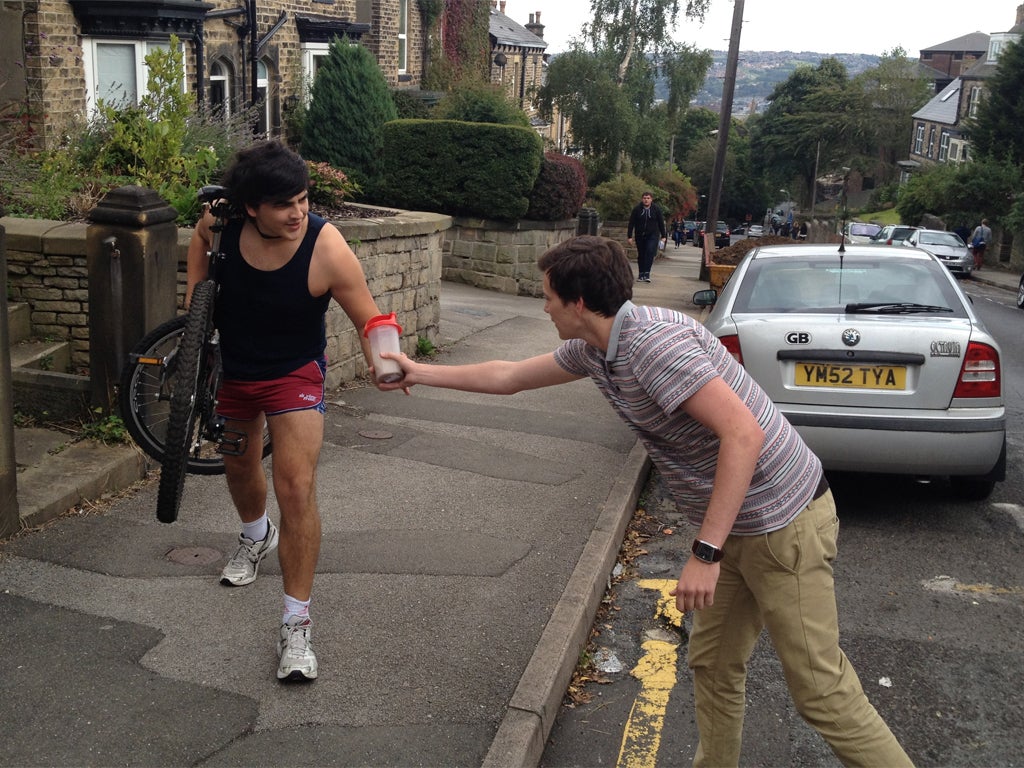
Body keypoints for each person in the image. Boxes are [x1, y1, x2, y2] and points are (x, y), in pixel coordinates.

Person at [377, 235, 913, 767]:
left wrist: (704, 554)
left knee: (821, 693)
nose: (543, 307)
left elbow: (743, 435)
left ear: (579, 302)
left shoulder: (652, 346)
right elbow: (511, 376)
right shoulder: (595, 349)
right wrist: (420, 371)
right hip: (733, 527)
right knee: (714, 665)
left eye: (548, 297)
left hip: (783, 522)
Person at [186, 140, 386, 682]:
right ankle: (255, 535)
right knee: (240, 467)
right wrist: (195, 304)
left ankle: (296, 625)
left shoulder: (325, 247)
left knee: (295, 485)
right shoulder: (223, 223)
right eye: (284, 205)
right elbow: (200, 241)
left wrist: (387, 362)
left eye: (303, 199)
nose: (298, 213)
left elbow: (369, 317)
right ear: (251, 206)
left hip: (296, 372)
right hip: (236, 370)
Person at [626, 191, 667, 283]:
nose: (646, 200)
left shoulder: (656, 209)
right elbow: (631, 223)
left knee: (649, 252)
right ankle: (641, 274)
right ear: (642, 199)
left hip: (652, 235)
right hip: (640, 235)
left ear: (651, 199)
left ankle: (647, 273)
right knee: (641, 254)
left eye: (648, 198)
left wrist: (664, 236)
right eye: (644, 198)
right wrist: (629, 236)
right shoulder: (637, 209)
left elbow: (661, 223)